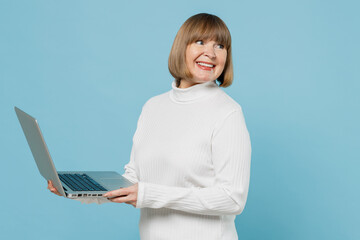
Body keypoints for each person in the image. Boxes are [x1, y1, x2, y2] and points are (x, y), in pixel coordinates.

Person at [48, 13, 251, 240]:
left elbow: (232, 198)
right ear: (181, 47)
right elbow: (133, 181)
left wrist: (148, 194)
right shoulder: (153, 107)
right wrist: (78, 191)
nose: (211, 53)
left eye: (220, 46)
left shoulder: (227, 113)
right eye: (200, 42)